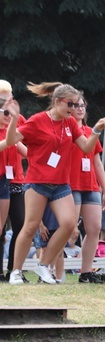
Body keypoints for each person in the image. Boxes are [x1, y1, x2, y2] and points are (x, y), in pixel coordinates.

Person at [5, 82, 105, 285]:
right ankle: (15, 271)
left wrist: (96, 130)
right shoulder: (37, 121)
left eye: (76, 104)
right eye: (70, 104)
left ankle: (44, 266)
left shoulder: (69, 123)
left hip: (61, 184)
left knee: (69, 225)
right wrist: (15, 119)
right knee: (30, 227)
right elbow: (11, 141)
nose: (73, 109)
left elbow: (87, 148)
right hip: (37, 182)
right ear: (57, 101)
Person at [69, 94, 105, 284]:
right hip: (71, 184)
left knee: (94, 228)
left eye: (82, 105)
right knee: (68, 228)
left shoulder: (90, 131)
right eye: (75, 105)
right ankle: (51, 268)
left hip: (90, 184)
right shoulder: (66, 130)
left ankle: (85, 272)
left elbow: (97, 163)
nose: (79, 108)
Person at [0, 82, 27, 281]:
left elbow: (27, 150)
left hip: (16, 178)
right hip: (1, 178)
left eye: (10, 97)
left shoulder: (18, 119)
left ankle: (13, 270)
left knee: (20, 225)